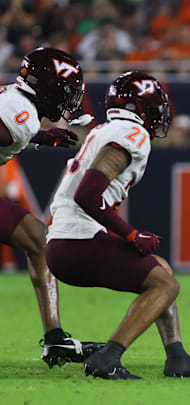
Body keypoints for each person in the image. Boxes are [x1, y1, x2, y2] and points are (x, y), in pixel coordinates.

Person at [45, 71, 190, 380]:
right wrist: (130, 233)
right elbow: (88, 194)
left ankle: (177, 357)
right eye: (156, 104)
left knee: (162, 270)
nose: (160, 112)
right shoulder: (132, 133)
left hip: (64, 241)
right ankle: (109, 358)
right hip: (78, 240)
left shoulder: (107, 129)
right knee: (166, 286)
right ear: (142, 106)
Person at [0, 47, 103, 367]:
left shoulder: (18, 105)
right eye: (66, 90)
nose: (69, 99)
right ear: (47, 87)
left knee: (39, 241)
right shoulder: (20, 111)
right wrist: (35, 134)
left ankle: (56, 339)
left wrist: (40, 137)